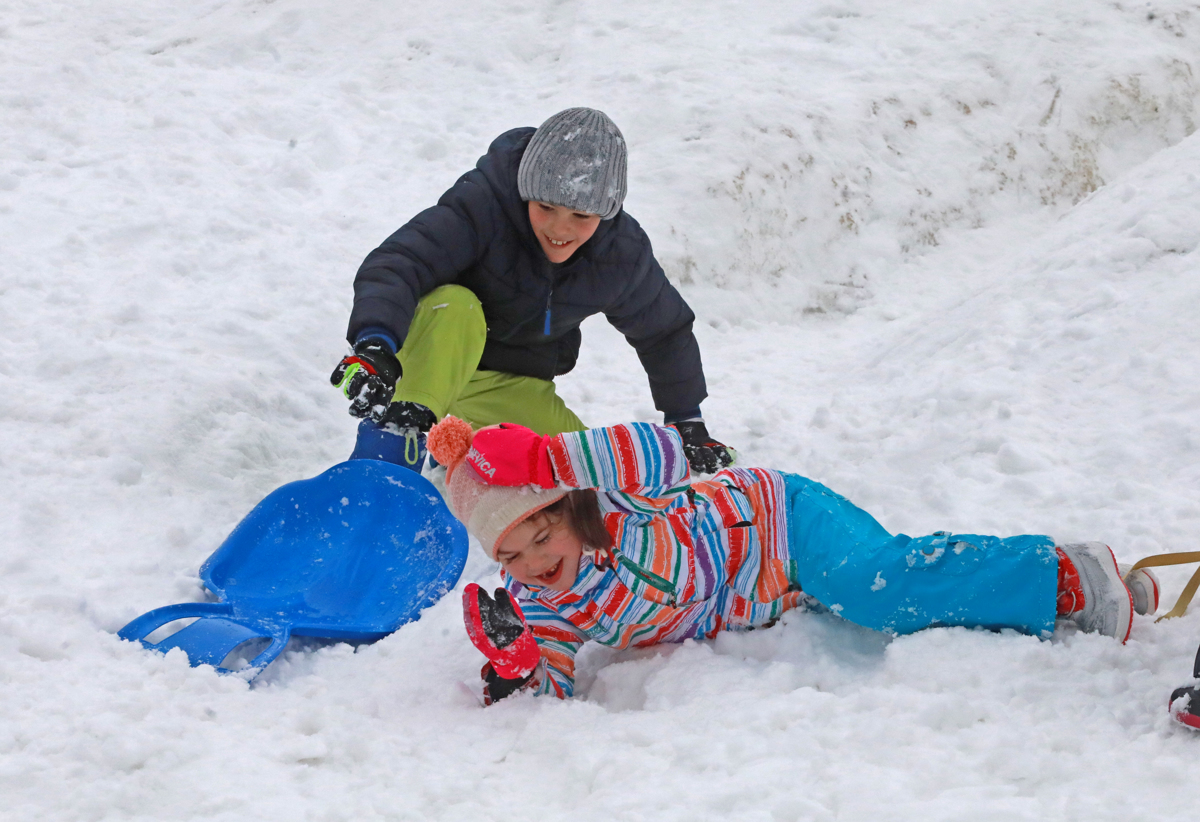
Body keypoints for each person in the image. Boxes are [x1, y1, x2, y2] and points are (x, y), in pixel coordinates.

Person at [424, 415, 1159, 703]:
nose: (530, 563)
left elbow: (666, 448)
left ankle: (1067, 575)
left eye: (540, 537)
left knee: (877, 587)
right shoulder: (550, 601)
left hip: (781, 521)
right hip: (774, 594)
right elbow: (552, 681)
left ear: (569, 508)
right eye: (509, 556)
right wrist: (517, 662)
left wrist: (552, 453)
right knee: (855, 595)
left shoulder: (620, 505)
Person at [329, 107, 734, 474]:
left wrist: (687, 420)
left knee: (587, 477)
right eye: (545, 207)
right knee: (457, 305)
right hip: (431, 362)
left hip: (508, 383)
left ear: (607, 212)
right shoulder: (483, 206)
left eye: (581, 215)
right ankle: (392, 449)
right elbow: (400, 263)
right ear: (525, 191)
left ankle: (464, 452)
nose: (560, 229)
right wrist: (375, 345)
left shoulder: (620, 253)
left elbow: (664, 330)